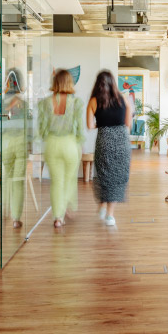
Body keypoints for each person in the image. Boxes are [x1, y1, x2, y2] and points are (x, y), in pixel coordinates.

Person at [38, 69, 84, 229]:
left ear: (55, 83)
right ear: (70, 83)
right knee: (69, 180)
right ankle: (67, 207)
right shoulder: (76, 103)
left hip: (51, 144)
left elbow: (41, 129)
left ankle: (58, 217)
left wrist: (47, 136)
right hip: (70, 144)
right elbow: (79, 129)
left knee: (56, 182)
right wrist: (80, 144)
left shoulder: (44, 103)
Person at [86, 70, 132, 226]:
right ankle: (110, 216)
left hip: (104, 140)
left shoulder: (93, 101)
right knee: (118, 177)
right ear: (113, 82)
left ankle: (101, 206)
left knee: (103, 175)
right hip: (121, 141)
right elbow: (128, 124)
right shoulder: (123, 99)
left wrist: (103, 124)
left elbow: (90, 125)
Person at [2, 68, 26, 229]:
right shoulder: (24, 103)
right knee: (17, 181)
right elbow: (28, 126)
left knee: (8, 178)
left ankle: (5, 210)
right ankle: (16, 218)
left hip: (6, 143)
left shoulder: (1, 102)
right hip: (20, 143)